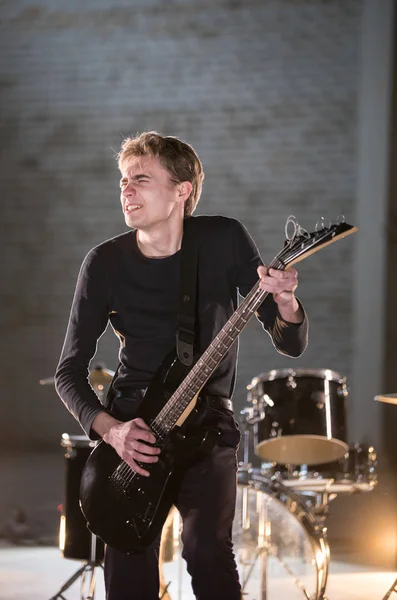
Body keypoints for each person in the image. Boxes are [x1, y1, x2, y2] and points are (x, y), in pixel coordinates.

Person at [55, 131, 308, 600]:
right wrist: (111, 430)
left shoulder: (223, 238)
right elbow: (69, 372)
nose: (126, 190)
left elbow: (287, 338)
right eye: (123, 181)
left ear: (182, 190)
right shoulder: (103, 263)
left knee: (206, 550)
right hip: (133, 432)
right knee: (129, 569)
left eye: (141, 179)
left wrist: (287, 302)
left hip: (207, 425)